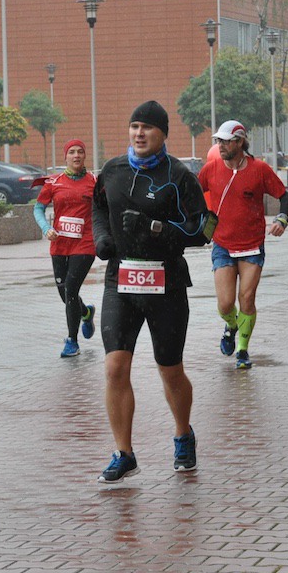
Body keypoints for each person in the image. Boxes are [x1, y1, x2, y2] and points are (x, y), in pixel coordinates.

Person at [91, 100, 214, 483]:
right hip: (121, 280)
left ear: (163, 134)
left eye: (147, 127)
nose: (139, 133)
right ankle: (123, 453)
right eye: (134, 126)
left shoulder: (178, 176)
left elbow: (204, 230)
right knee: (115, 367)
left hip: (166, 283)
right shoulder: (112, 170)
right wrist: (102, 237)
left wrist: (155, 228)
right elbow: (97, 208)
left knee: (170, 369)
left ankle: (183, 434)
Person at [197, 119, 288, 369]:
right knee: (226, 303)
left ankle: (242, 350)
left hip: (252, 245)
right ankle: (231, 325)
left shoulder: (259, 169)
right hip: (223, 245)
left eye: (226, 141)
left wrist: (282, 218)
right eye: (218, 141)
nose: (220, 145)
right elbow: (191, 194)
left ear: (239, 142)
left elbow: (284, 196)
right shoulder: (211, 168)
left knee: (246, 298)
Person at [33, 139, 97, 357]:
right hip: (59, 243)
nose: (76, 155)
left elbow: (105, 208)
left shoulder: (94, 182)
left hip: (85, 243)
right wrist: (46, 228)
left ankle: (72, 341)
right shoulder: (54, 182)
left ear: (85, 156)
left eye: (80, 151)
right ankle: (86, 312)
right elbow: (38, 209)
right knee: (65, 294)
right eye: (72, 152)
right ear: (65, 157)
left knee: (70, 289)